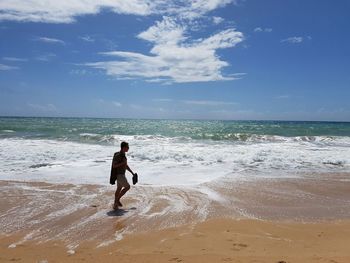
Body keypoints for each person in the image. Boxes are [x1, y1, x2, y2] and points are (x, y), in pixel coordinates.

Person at [110, 141, 136, 210]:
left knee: (119, 189)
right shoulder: (118, 155)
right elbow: (114, 165)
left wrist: (132, 173)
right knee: (127, 187)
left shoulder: (123, 154)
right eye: (127, 147)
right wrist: (122, 163)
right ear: (124, 147)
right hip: (120, 175)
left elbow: (125, 165)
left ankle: (115, 205)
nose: (128, 148)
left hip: (121, 174)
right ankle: (117, 200)